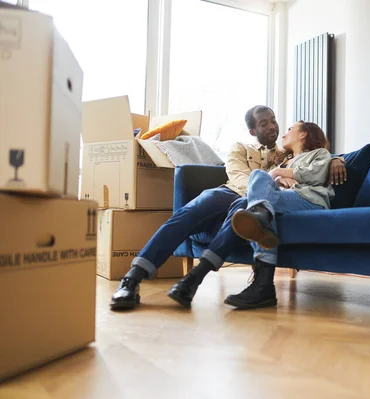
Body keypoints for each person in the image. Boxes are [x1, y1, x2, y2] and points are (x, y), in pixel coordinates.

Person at [110, 106, 346, 310]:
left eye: (274, 120)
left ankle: (193, 280)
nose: (273, 126)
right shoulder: (241, 148)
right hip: (231, 191)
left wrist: (337, 160)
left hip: (252, 202)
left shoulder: (286, 154)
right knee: (190, 212)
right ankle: (132, 278)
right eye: (264, 123)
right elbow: (238, 176)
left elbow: (318, 156)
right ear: (254, 131)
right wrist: (265, 183)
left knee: (243, 210)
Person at [223, 121, 334, 309]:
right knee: (258, 182)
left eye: (290, 129)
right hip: (285, 198)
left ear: (303, 134)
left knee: (258, 202)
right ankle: (263, 285)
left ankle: (263, 284)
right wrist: (279, 176)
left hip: (310, 201)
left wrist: (277, 172)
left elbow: (316, 174)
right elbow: (262, 184)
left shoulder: (319, 154)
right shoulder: (285, 160)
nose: (284, 133)